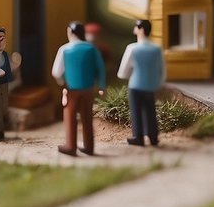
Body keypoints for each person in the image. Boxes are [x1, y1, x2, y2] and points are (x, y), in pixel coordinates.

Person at [51, 21, 106, 156]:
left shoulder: (64, 49)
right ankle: (89, 146)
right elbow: (100, 68)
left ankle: (71, 146)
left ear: (70, 32)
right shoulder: (92, 49)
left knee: (70, 116)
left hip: (72, 89)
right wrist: (101, 86)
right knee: (87, 117)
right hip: (88, 89)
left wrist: (62, 81)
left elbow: (56, 72)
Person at [116, 19, 165, 147]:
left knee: (136, 111)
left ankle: (138, 136)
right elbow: (162, 69)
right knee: (150, 111)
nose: (134, 29)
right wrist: (159, 83)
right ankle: (153, 137)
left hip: (135, 85)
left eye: (136, 27)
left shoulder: (132, 48)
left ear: (141, 29)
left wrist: (125, 75)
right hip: (150, 85)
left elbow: (123, 71)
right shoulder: (156, 49)